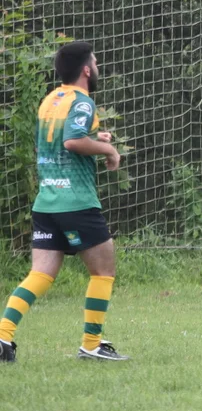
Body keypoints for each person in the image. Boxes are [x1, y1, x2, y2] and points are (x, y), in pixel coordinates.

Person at [1, 41, 127, 362]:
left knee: (40, 274)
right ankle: (91, 344)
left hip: (47, 201)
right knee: (103, 270)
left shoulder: (50, 100)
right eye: (95, 63)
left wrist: (95, 139)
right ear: (86, 69)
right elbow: (72, 142)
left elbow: (55, 142)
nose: (97, 68)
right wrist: (109, 150)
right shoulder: (83, 101)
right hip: (76, 201)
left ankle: (2, 336)